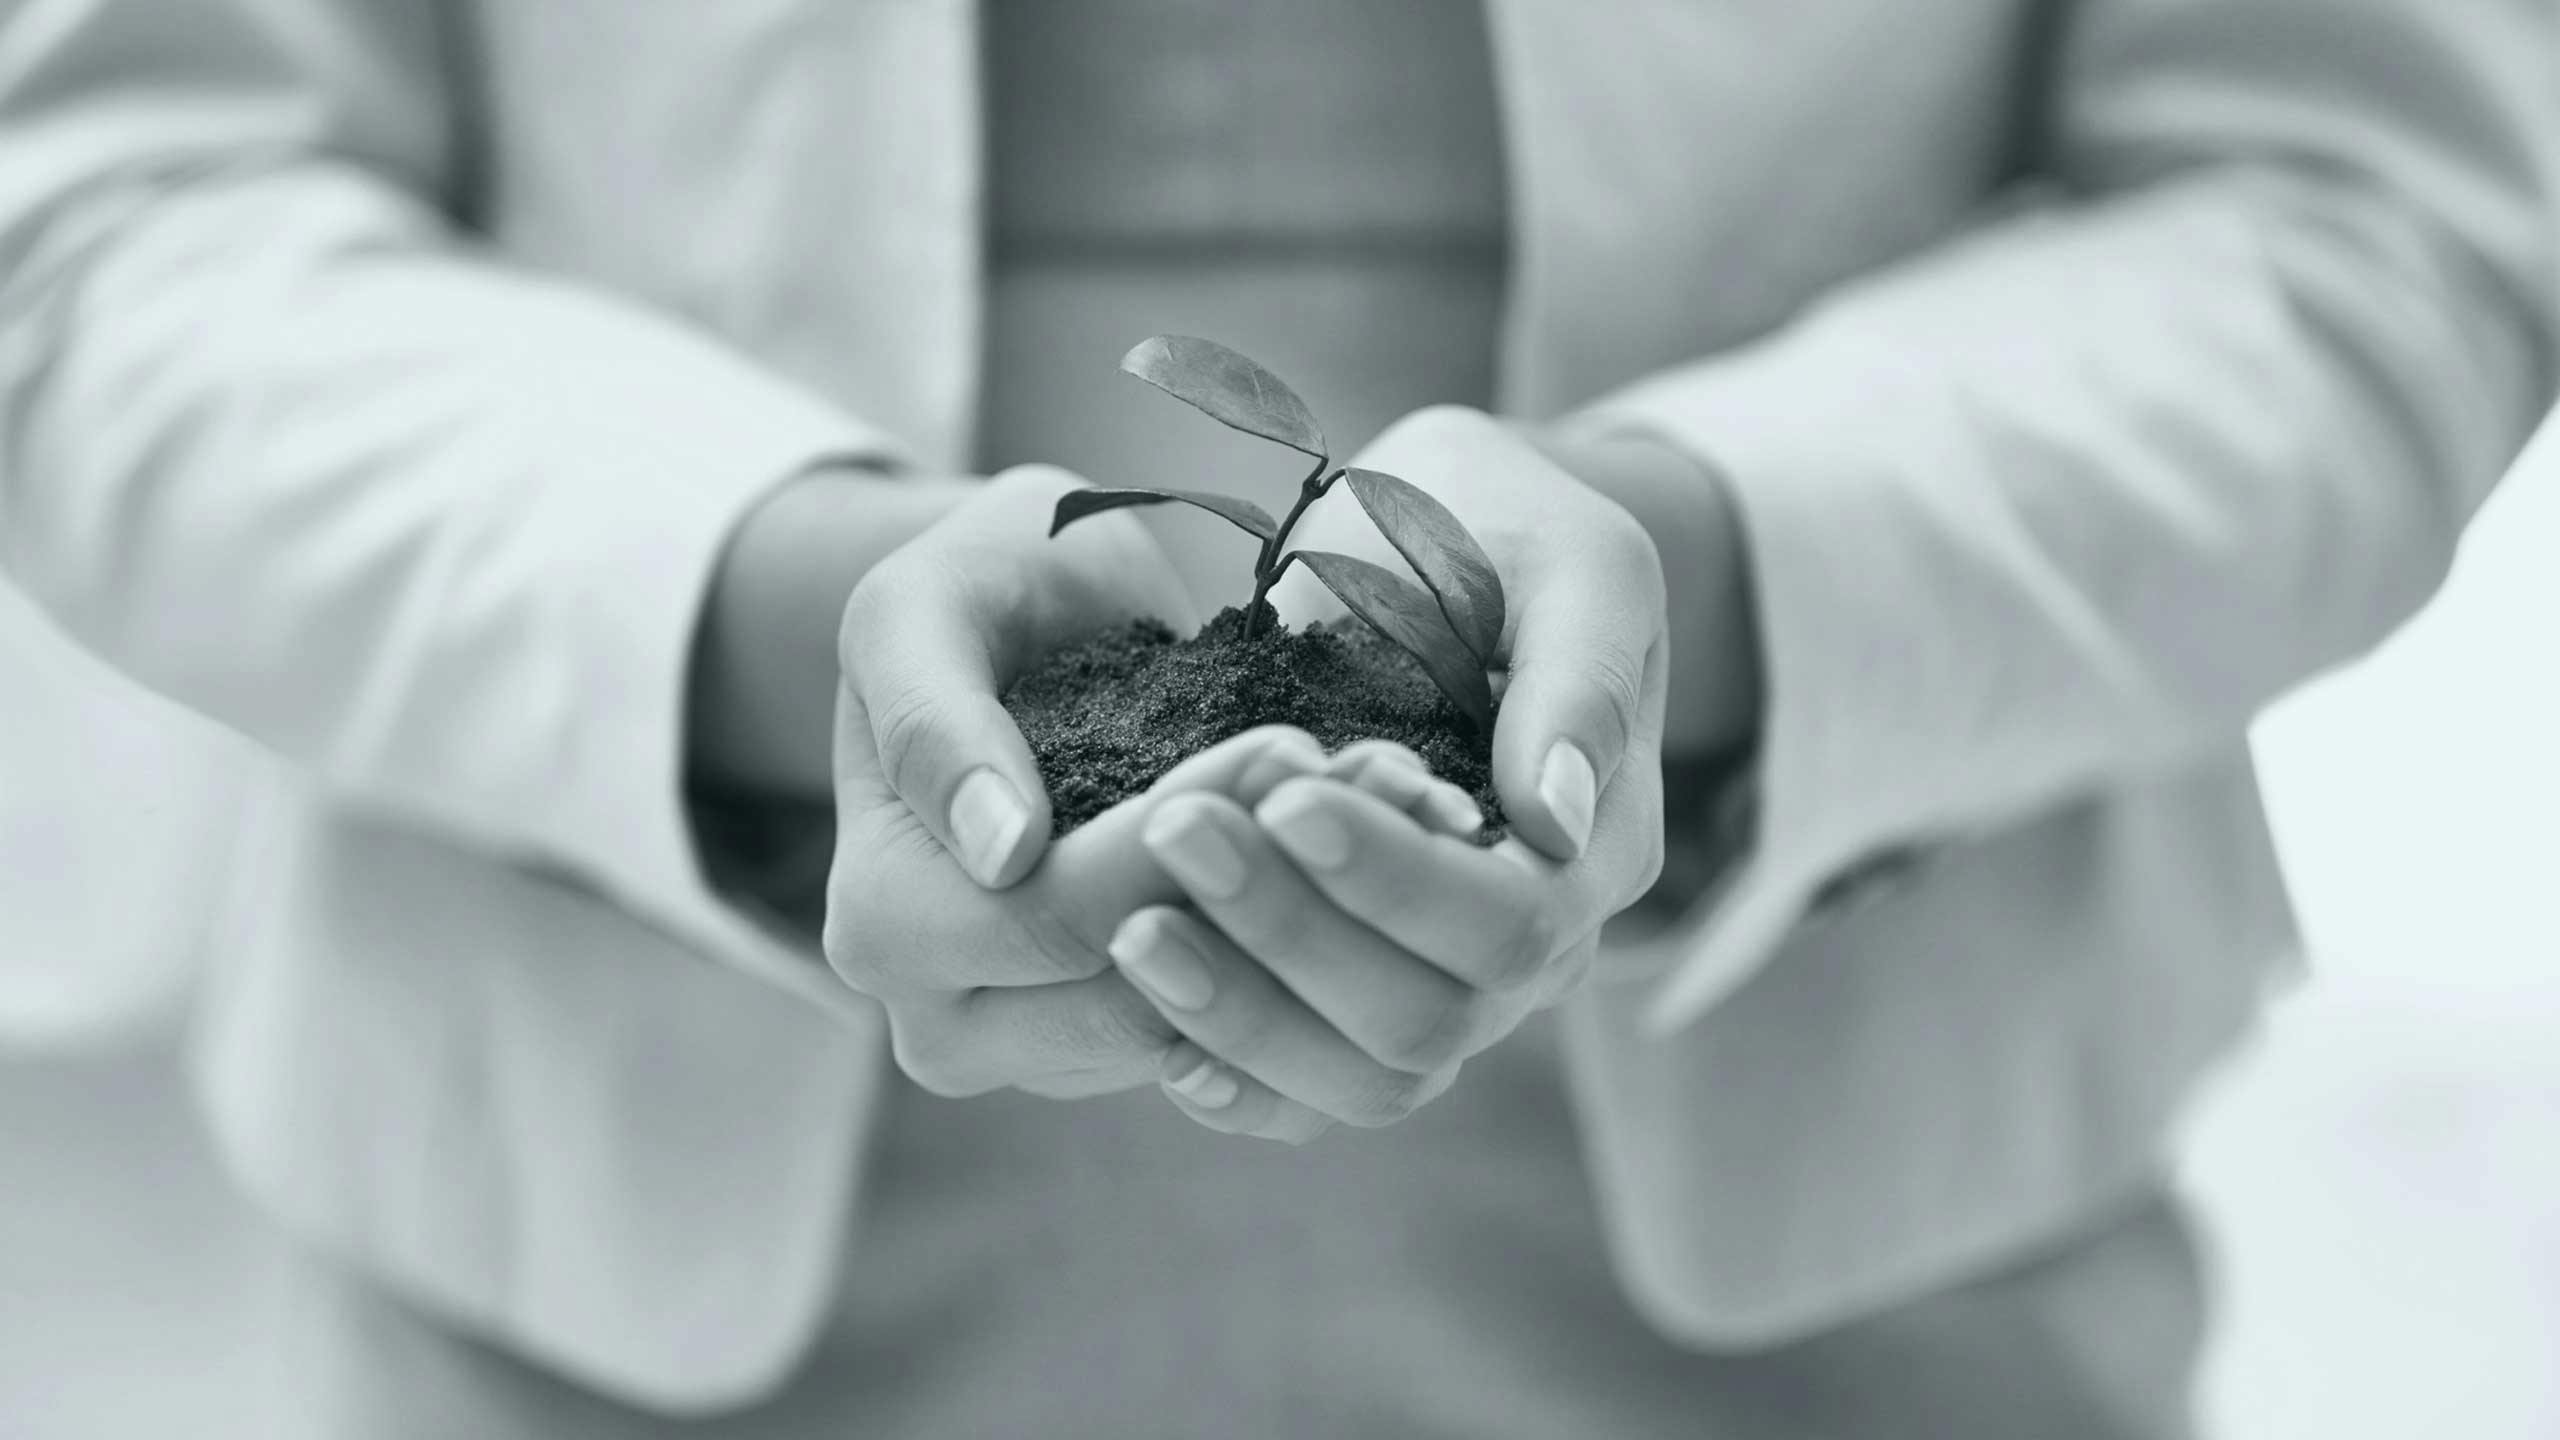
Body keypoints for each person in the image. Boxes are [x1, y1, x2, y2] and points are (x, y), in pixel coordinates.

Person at [0, 1, 2550, 1436]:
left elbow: (2370, 219)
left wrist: (1708, 567)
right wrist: (788, 609)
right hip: (591, 1255)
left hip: (1852, 1275)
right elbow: (112, 234)